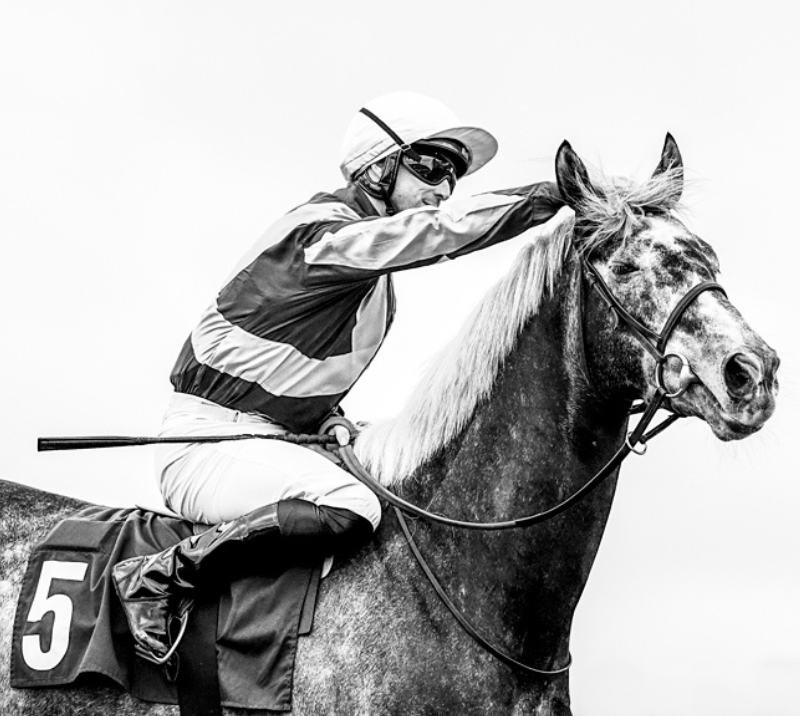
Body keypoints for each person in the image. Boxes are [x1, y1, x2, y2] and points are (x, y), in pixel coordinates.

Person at [112, 91, 565, 664]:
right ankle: (159, 577)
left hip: (265, 442)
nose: (443, 188)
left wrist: (329, 419)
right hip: (204, 444)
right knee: (353, 506)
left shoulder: (378, 290)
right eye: (429, 167)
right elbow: (436, 233)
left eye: (452, 176)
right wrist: (547, 199)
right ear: (378, 167)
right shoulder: (322, 233)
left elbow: (293, 375)